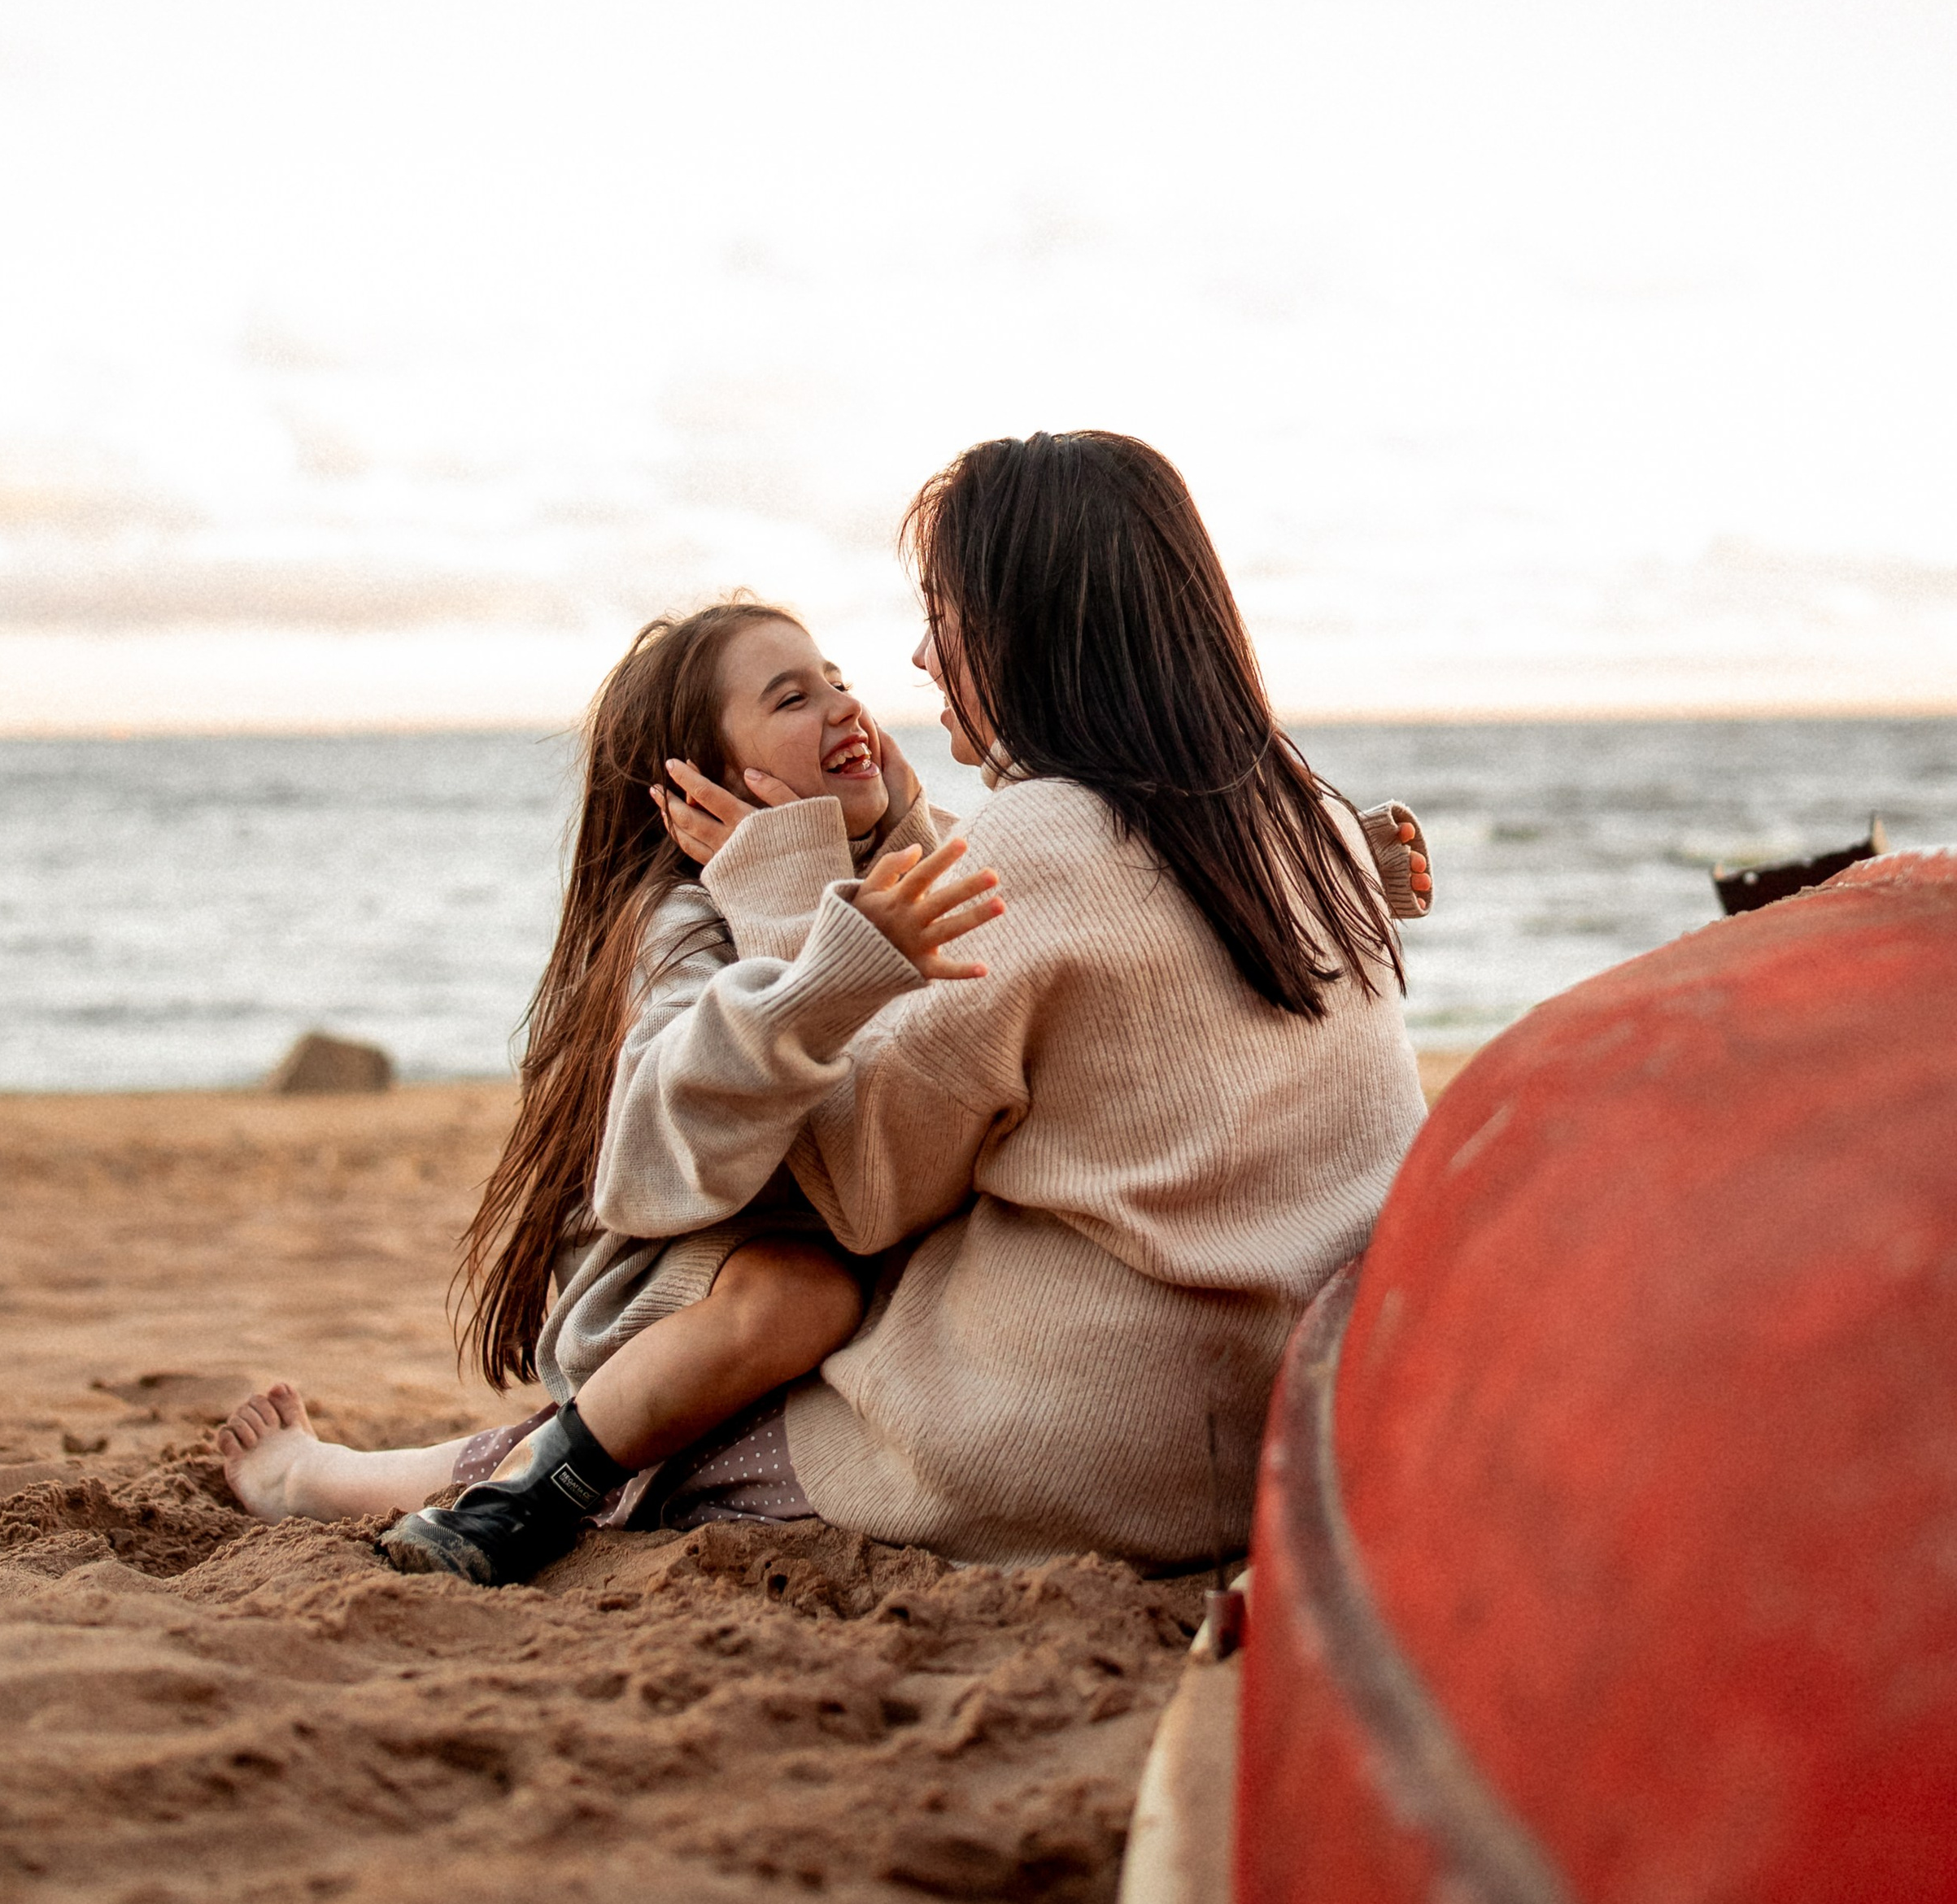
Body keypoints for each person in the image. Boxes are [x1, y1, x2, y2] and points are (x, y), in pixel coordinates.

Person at [376, 430, 1433, 1583]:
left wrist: (792, 907)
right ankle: (352, 1475)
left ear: (1024, 624)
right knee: (736, 1360)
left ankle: (376, 1482)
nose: (916, 662)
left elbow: (860, 1192)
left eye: (942, 614)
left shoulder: (1033, 844)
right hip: (1300, 1411)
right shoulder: (1299, 813)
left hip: (1099, 1446)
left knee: (688, 1444)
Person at [214, 601, 1000, 1567]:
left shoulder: (894, 862)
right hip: (692, 1265)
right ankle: (472, 1502)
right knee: (802, 1295)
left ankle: (333, 1475)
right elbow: (665, 1153)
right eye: (792, 699)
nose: (844, 707)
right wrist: (810, 946)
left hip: (847, 1244)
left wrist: (901, 826)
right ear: (701, 785)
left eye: (836, 679)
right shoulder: (680, 923)